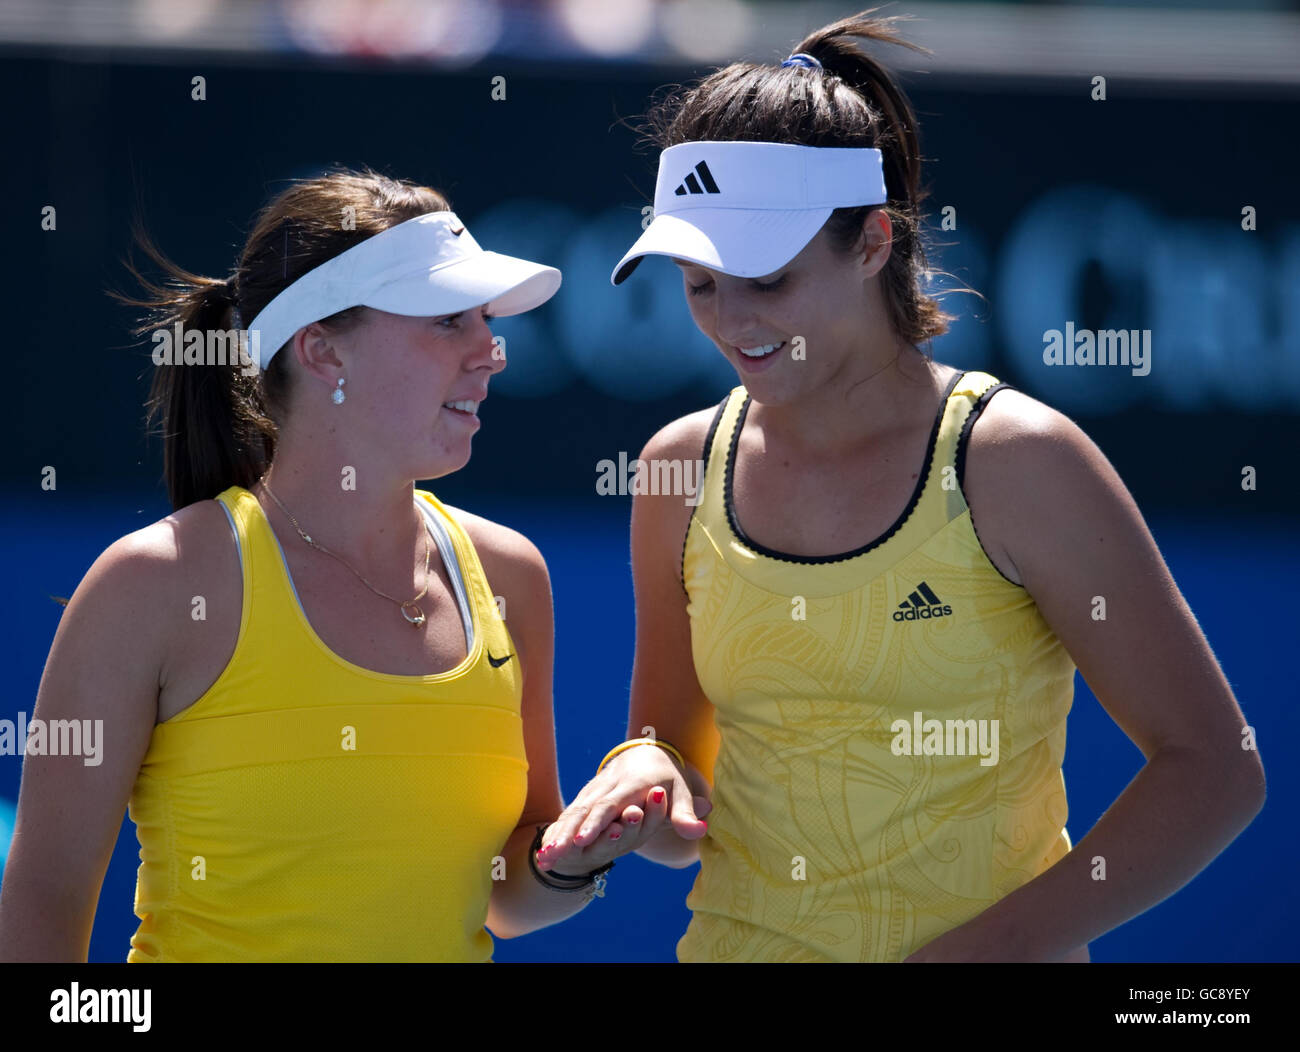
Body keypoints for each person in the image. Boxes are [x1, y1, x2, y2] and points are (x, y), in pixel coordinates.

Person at [534, 12, 1267, 962]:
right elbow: (679, 783)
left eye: (767, 277)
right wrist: (644, 778)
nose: (731, 318)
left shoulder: (1020, 459)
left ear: (874, 241)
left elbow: (1215, 770)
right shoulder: (676, 467)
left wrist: (989, 949)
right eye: (699, 281)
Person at [0, 168, 636, 962]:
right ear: (323, 352)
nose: (491, 352)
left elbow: (505, 894)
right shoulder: (151, 584)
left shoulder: (511, 577)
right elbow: (43, 904)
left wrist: (569, 863)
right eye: (447, 322)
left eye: (484, 320)